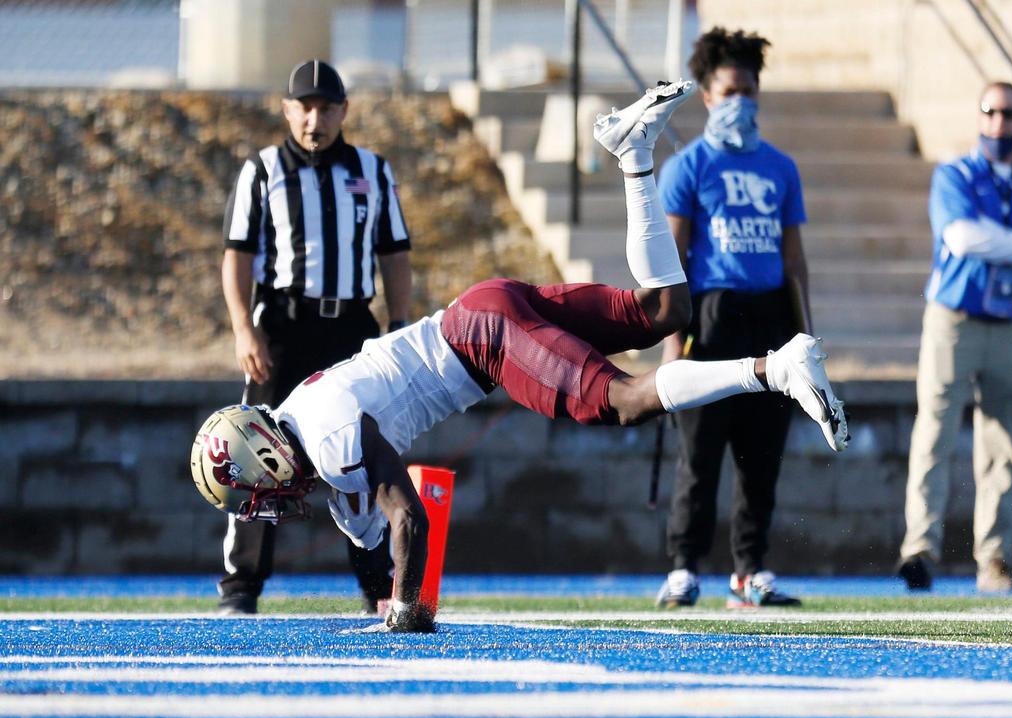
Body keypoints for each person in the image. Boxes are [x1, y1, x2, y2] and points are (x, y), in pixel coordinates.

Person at [191, 81, 849, 633]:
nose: (261, 502)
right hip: (483, 307)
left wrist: (410, 612)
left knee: (623, 401)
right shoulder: (313, 424)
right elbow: (377, 518)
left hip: (482, 340)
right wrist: (387, 568)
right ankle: (635, 156)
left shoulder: (328, 436)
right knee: (663, 312)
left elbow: (409, 516)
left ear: (265, 453)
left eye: (252, 489)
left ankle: (774, 367)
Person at [216, 59, 413, 615]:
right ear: (287, 109)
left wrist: (398, 327)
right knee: (257, 455)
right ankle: (241, 587)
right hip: (283, 324)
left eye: (327, 107)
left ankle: (378, 583)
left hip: (351, 326)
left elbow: (395, 255)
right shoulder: (262, 170)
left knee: (364, 451)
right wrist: (242, 327)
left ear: (344, 111)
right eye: (305, 106)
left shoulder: (373, 171)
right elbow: (238, 255)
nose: (315, 118)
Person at [654, 29, 813, 610]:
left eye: (748, 90)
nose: (739, 102)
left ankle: (750, 570)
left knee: (761, 452)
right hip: (711, 316)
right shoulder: (688, 166)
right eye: (728, 91)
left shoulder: (780, 168)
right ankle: (683, 567)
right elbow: (672, 260)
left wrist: (806, 335)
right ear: (706, 96)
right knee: (700, 454)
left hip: (769, 316)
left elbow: (795, 260)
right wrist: (672, 341)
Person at [897, 81, 1012, 593]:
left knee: (1002, 440)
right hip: (956, 316)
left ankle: (994, 559)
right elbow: (961, 238)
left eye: (1009, 113)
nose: (998, 122)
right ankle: (919, 548)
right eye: (990, 112)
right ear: (979, 116)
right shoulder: (955, 174)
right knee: (935, 429)